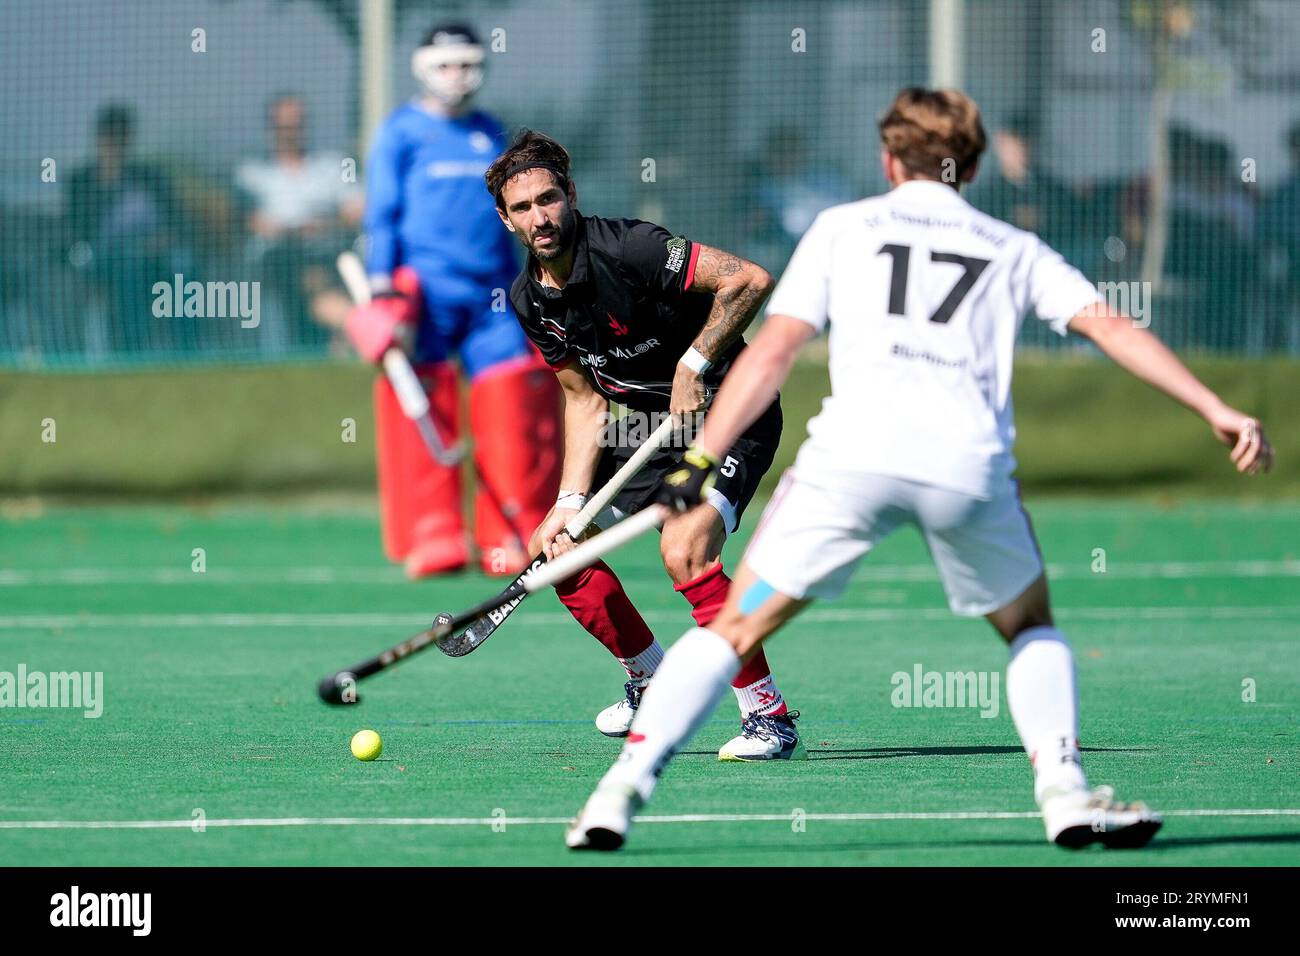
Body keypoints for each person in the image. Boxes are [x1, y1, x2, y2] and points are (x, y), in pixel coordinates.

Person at [566, 87, 1274, 851]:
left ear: (887, 157)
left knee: (733, 630)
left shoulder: (842, 229)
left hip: (853, 463)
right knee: (1029, 626)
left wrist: (702, 456)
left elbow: (770, 352)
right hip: (964, 466)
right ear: (968, 165)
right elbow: (1109, 327)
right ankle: (1065, 795)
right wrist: (1215, 407)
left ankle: (619, 794)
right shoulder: (1013, 247)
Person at [484, 129, 803, 758]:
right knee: (557, 549)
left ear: (570, 195)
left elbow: (749, 279)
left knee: (684, 549)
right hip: (644, 429)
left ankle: (767, 716)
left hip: (729, 410)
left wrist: (695, 362)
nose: (540, 217)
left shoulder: (631, 247)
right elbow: (582, 399)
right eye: (522, 208)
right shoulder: (529, 298)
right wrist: (570, 501)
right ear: (506, 218)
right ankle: (650, 678)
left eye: (549, 199)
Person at [347, 23, 561, 578]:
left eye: (466, 64)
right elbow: (382, 216)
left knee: (513, 404)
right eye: (444, 66)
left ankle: (515, 532)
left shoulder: (492, 134)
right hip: (425, 298)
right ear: (422, 69)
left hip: (493, 297)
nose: (456, 76)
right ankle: (433, 532)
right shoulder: (400, 133)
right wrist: (381, 291)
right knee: (426, 410)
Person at [236, 94, 362, 353]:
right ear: (270, 129)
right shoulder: (251, 171)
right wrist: (283, 230)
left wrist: (323, 225)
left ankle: (346, 328)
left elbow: (357, 210)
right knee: (307, 272)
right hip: (275, 257)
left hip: (330, 250)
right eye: (284, 127)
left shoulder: (334, 164)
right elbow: (242, 219)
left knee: (328, 268)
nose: (291, 133)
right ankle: (357, 323)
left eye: (297, 125)